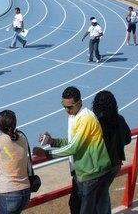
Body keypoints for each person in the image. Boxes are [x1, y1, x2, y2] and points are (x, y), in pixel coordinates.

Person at [33, 86, 111, 214]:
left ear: (80, 103)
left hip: (91, 173)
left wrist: (47, 154)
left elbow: (73, 147)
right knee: (75, 205)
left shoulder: (86, 118)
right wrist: (52, 141)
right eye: (64, 106)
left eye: (69, 107)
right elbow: (72, 142)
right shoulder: (74, 116)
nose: (66, 110)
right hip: (80, 171)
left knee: (86, 210)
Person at [92, 90, 131, 213]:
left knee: (100, 197)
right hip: (116, 165)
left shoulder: (95, 124)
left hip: (100, 168)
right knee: (102, 194)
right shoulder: (119, 119)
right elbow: (128, 139)